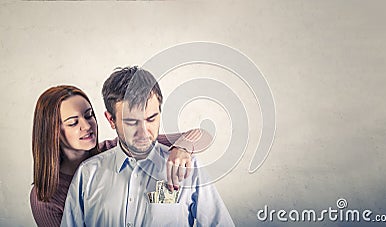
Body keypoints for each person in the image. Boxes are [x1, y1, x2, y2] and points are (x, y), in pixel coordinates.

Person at [61, 66, 234, 226]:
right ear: (111, 120)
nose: (143, 133)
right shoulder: (87, 174)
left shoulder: (190, 169)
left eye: (151, 119)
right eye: (131, 122)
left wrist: (184, 146)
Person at [30, 85, 211, 227]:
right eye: (73, 123)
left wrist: (182, 147)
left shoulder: (114, 149)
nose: (87, 126)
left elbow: (202, 135)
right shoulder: (45, 196)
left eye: (89, 115)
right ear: (52, 131)